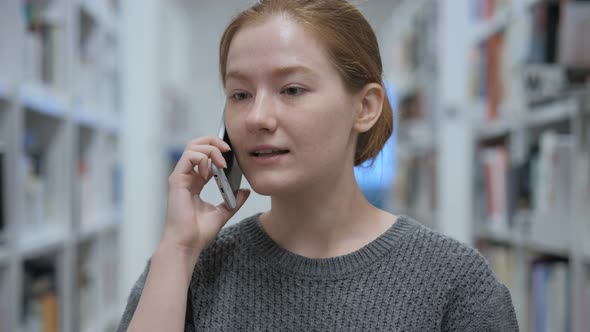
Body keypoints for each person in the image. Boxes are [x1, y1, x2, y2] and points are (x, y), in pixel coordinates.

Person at [117, 0, 519, 331]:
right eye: (240, 94)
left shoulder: (454, 281)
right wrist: (179, 247)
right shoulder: (188, 268)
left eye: (291, 89)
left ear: (365, 107)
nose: (257, 117)